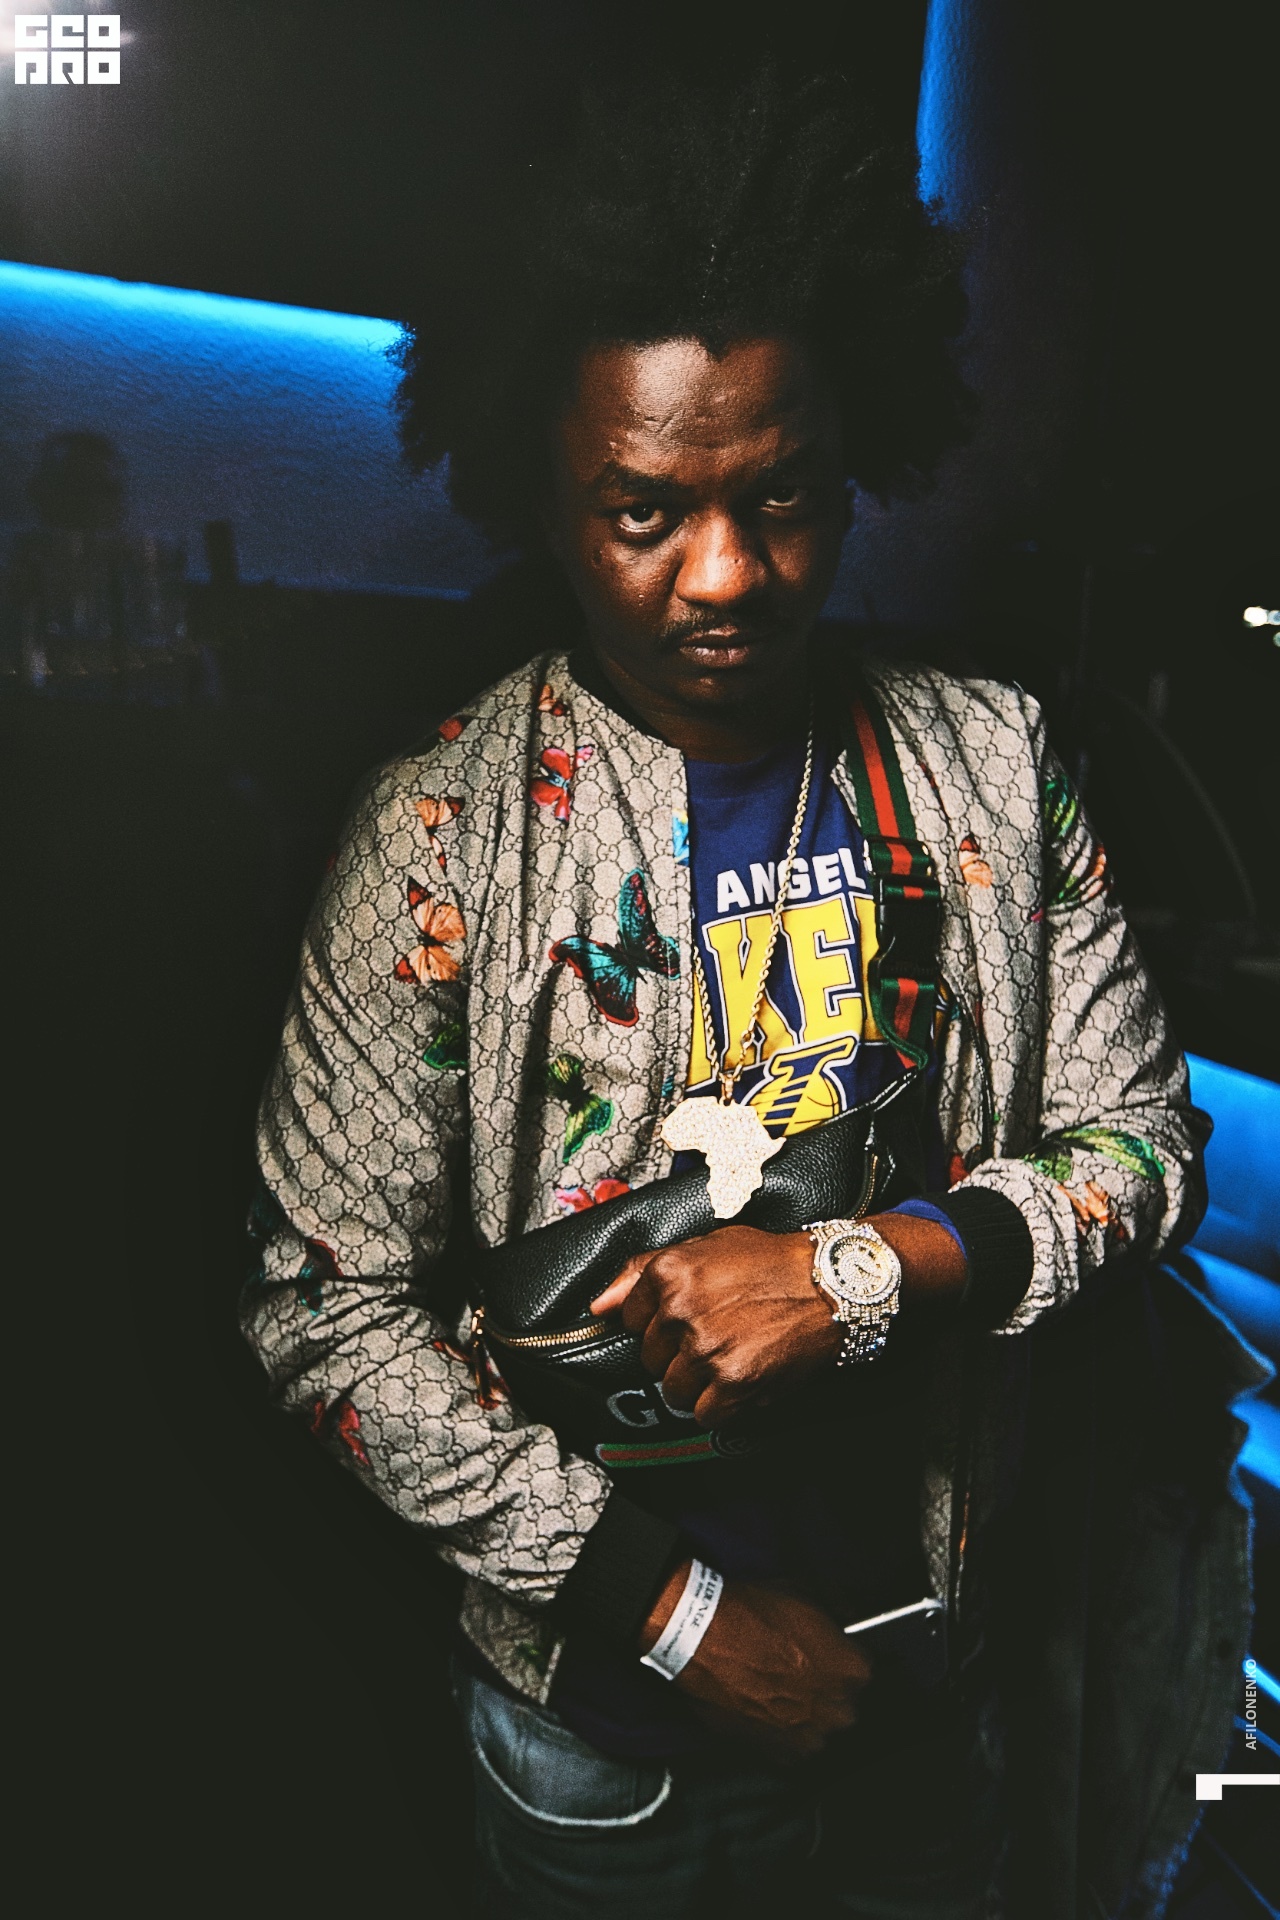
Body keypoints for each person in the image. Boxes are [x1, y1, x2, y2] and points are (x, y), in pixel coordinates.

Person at [242, 70, 1229, 1918]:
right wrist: (682, 1617)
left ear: (854, 465)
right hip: (610, 1752)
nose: (724, 575)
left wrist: (870, 1274)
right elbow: (324, 1310)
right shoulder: (445, 837)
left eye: (780, 498)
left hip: (944, 1688)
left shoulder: (994, 765)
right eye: (642, 512)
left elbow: (1146, 1147)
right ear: (546, 502)